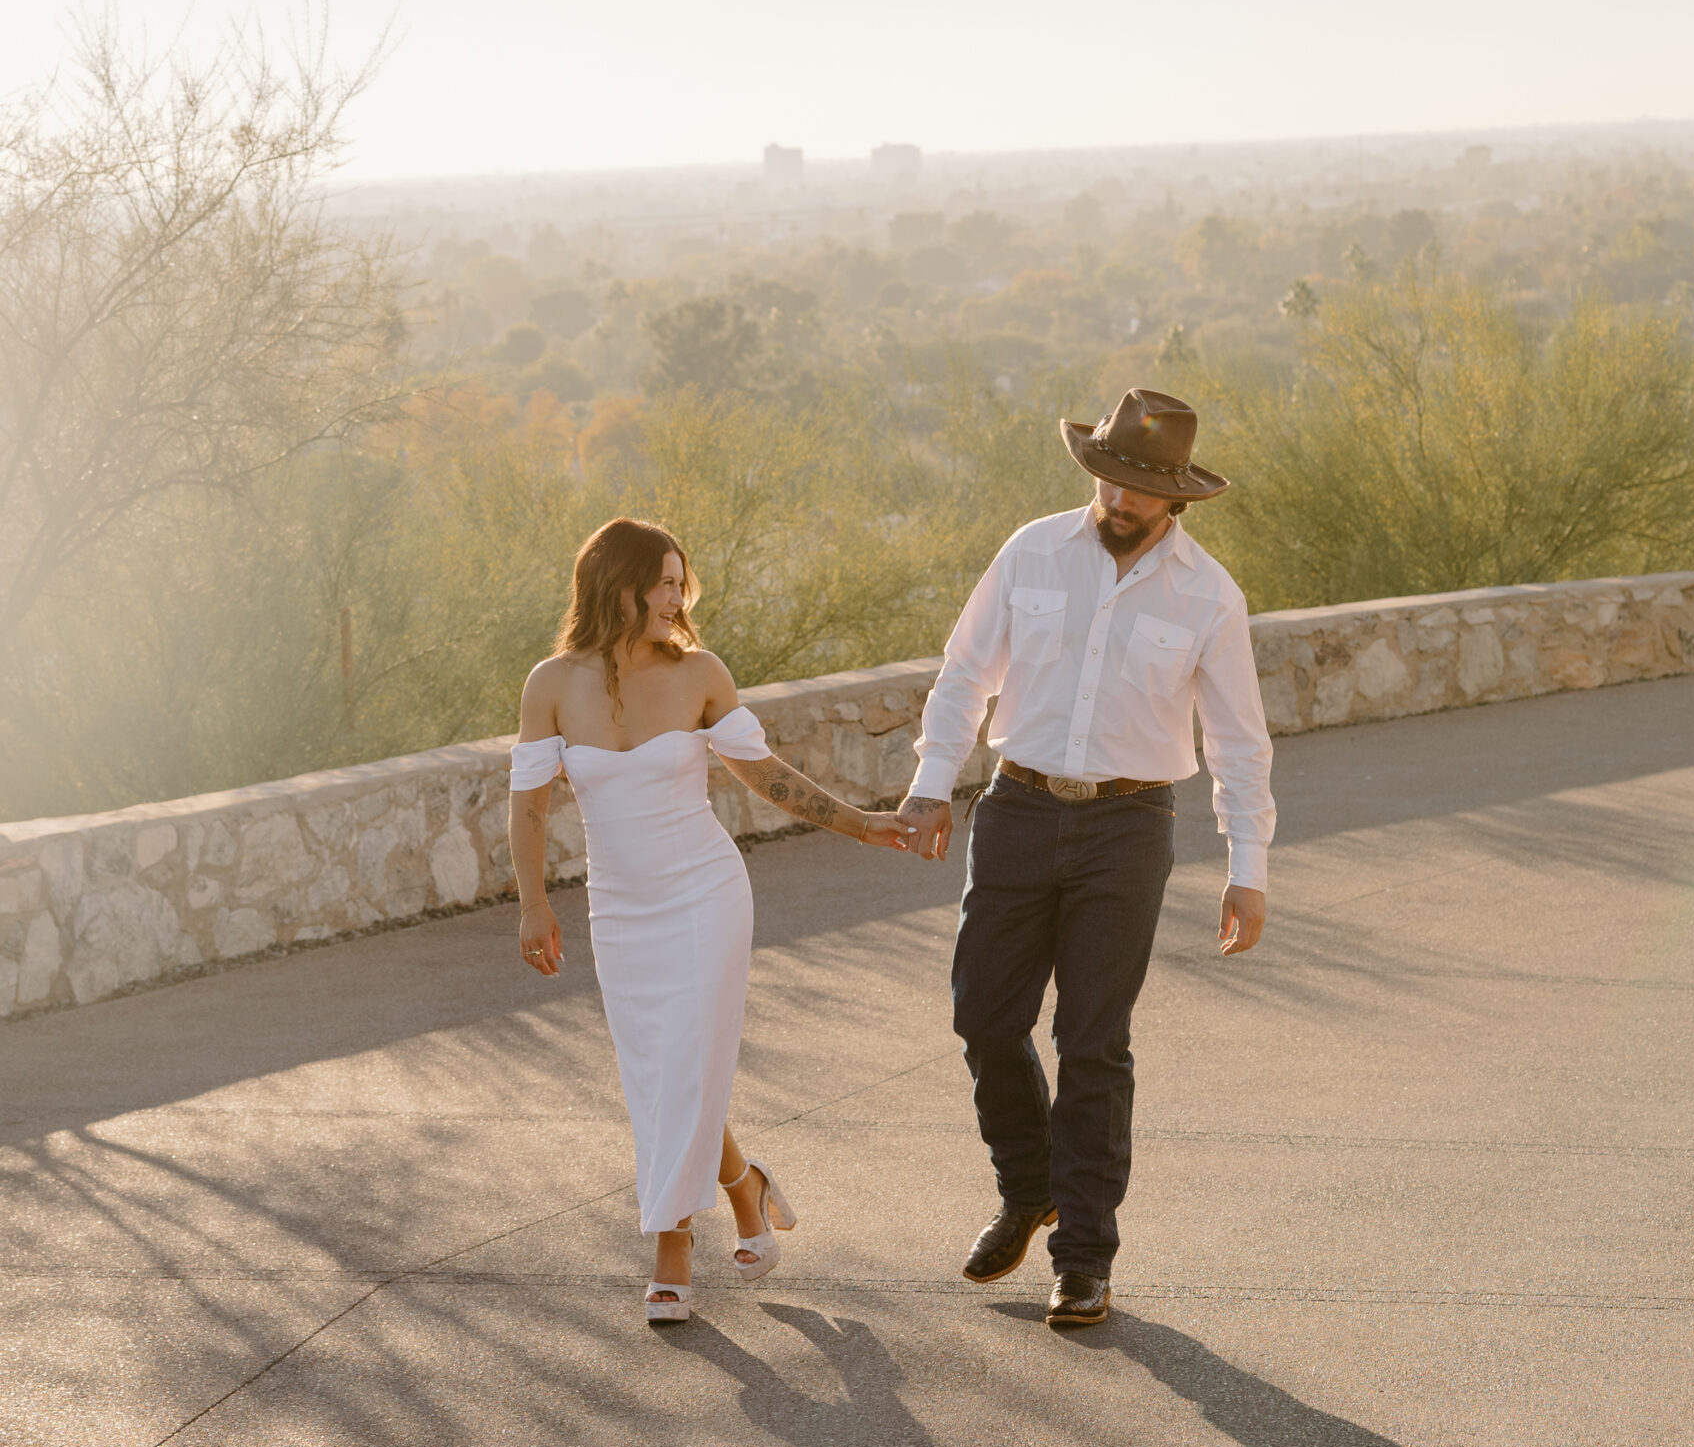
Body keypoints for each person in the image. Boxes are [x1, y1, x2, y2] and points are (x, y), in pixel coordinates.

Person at [896, 388, 1274, 1330]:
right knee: (983, 1015)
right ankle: (1028, 1191)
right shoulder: (1030, 551)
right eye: (1107, 479)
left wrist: (1248, 863)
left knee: (1092, 1041)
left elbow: (1237, 741)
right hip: (1018, 806)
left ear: (1174, 499)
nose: (1116, 499)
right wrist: (932, 783)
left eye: (1137, 489)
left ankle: (1083, 1259)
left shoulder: (1207, 596)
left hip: (1127, 825)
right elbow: (963, 674)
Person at [509, 517, 911, 1324]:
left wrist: (859, 823)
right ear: (612, 585)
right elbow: (526, 809)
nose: (673, 596)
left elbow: (765, 776)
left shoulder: (699, 672)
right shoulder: (550, 683)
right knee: (658, 1070)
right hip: (619, 906)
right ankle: (743, 1183)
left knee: (684, 1061)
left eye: (676, 582)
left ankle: (669, 1246)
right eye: (659, 581)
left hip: (703, 894)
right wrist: (532, 904)